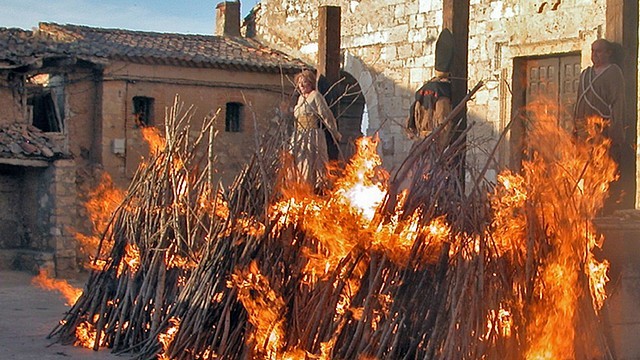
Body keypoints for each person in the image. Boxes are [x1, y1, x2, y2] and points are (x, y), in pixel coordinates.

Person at [573, 38, 626, 212]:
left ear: (608, 53)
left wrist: (616, 131)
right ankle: (587, 205)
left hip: (602, 130)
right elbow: (579, 101)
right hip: (584, 130)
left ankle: (603, 206)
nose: (594, 55)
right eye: (593, 50)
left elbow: (618, 103)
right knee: (586, 169)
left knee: (603, 168)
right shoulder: (585, 74)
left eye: (599, 51)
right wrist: (575, 129)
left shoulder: (613, 73)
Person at [291, 69, 342, 188]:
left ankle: (317, 188)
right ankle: (301, 189)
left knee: (313, 163)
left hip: (312, 135)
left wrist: (335, 133)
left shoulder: (316, 96)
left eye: (305, 82)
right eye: (299, 83)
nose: (302, 85)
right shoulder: (300, 99)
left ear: (311, 83)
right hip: (299, 135)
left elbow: (326, 115)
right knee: (300, 162)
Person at [407, 29, 454, 150]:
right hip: (432, 146)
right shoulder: (442, 94)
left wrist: (416, 137)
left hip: (418, 145)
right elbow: (444, 124)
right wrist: (440, 149)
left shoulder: (422, 90)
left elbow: (409, 125)